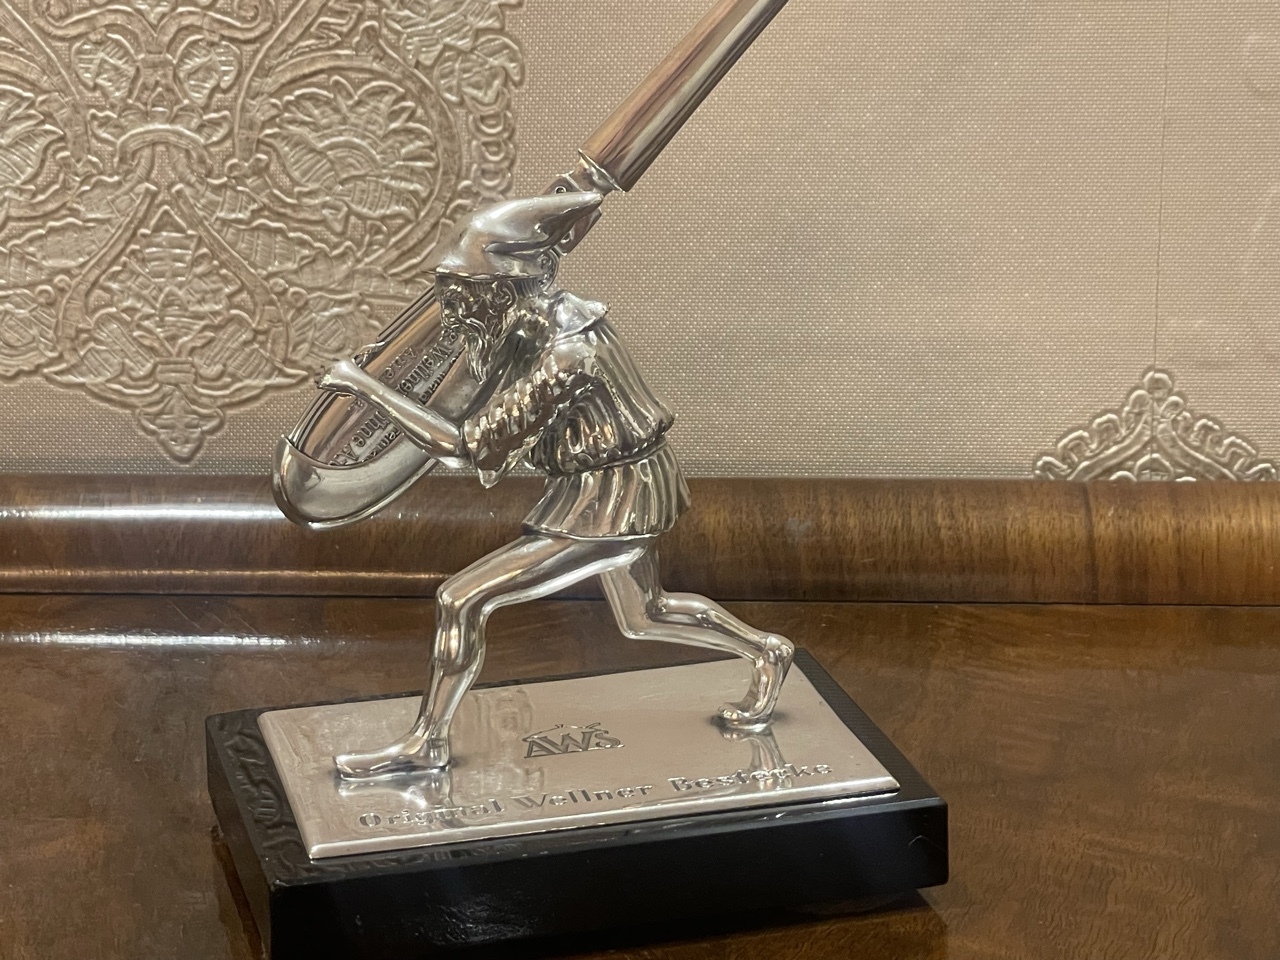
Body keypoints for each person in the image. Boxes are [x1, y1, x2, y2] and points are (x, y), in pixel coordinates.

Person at [316, 190, 793, 778]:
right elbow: (477, 381)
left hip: (612, 497)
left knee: (461, 599)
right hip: (607, 485)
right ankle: (768, 651)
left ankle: (427, 742)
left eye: (464, 294)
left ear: (503, 291)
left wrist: (366, 387)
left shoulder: (568, 353)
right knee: (645, 614)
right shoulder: (541, 323)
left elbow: (468, 447)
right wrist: (394, 369)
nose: (453, 308)